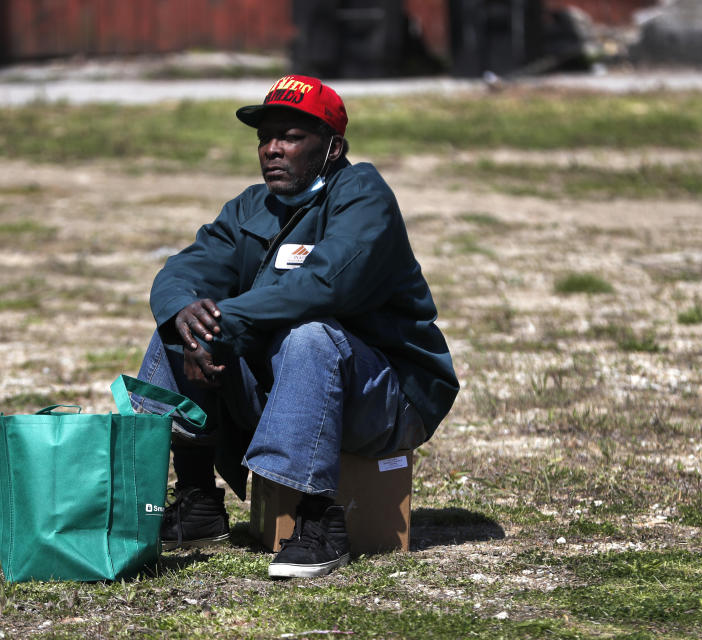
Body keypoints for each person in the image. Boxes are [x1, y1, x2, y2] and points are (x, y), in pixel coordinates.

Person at [133, 75, 458, 579]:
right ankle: (197, 500)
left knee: (309, 335)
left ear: (333, 148)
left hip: (390, 395)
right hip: (293, 382)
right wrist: (184, 312)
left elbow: (324, 287)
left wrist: (229, 322)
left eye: (291, 136)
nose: (273, 149)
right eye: (266, 137)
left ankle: (319, 520)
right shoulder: (249, 205)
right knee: (181, 330)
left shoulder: (363, 195)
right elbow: (184, 270)